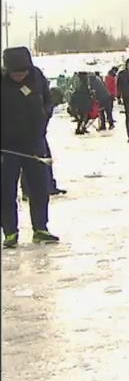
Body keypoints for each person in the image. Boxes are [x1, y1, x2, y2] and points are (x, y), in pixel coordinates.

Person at [2, 47, 57, 247]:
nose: (19, 76)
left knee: (39, 188)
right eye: (15, 73)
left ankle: (40, 229)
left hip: (34, 142)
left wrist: (46, 112)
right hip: (7, 147)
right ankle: (10, 232)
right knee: (6, 190)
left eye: (22, 73)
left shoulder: (37, 77)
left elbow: (49, 99)